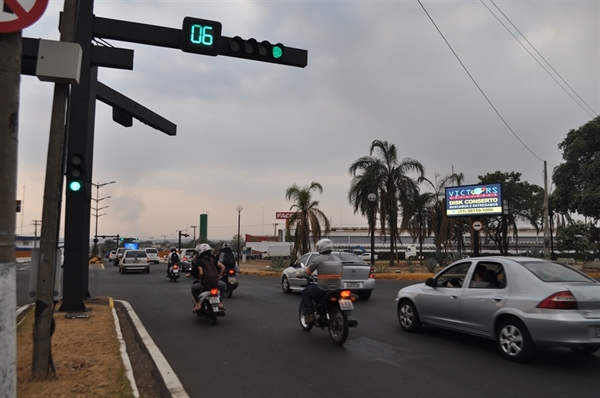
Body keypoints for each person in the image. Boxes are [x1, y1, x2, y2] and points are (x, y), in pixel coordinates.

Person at [297, 238, 343, 324]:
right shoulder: (338, 259)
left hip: (323, 288)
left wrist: (299, 274)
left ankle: (309, 315)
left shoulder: (318, 259)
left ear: (321, 248)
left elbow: (307, 272)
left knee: (305, 292)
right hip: (338, 287)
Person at [187, 243, 227, 312]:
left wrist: (200, 279)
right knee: (223, 286)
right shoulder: (213, 260)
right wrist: (219, 276)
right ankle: (220, 302)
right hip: (215, 283)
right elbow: (223, 267)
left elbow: (201, 273)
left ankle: (198, 304)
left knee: (193, 289)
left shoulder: (200, 262)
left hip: (206, 284)